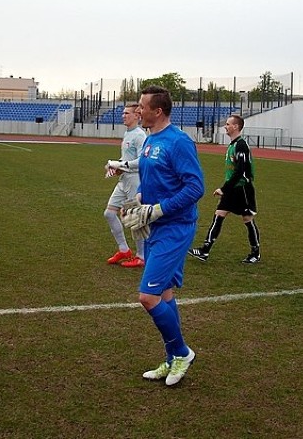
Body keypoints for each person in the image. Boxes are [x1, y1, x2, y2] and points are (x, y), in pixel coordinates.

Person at [120, 85, 204, 386]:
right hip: (157, 225)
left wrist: (158, 210)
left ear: (158, 110)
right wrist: (140, 202)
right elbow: (154, 177)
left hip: (175, 227)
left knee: (148, 296)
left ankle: (182, 352)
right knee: (165, 293)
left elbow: (196, 188)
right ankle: (171, 359)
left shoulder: (179, 141)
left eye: (142, 106)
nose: (137, 110)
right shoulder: (150, 139)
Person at [189, 114, 261, 264]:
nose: (225, 126)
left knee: (247, 219)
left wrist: (224, 188)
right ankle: (205, 250)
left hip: (242, 189)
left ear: (236, 126)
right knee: (219, 215)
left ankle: (255, 252)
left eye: (228, 124)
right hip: (232, 188)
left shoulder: (241, 145)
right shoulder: (233, 144)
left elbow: (240, 171)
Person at [104, 103, 147, 268]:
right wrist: (117, 167)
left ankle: (141, 256)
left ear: (137, 116)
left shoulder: (139, 135)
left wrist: (120, 165)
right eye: (123, 113)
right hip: (124, 180)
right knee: (109, 213)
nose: (123, 115)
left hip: (134, 181)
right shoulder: (127, 133)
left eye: (127, 113)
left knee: (135, 219)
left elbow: (142, 161)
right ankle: (124, 250)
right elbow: (127, 159)